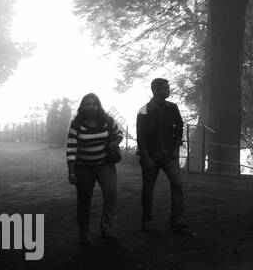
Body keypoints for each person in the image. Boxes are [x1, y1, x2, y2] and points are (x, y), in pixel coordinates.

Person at [67, 93, 123, 245]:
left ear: (98, 106)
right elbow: (71, 149)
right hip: (83, 168)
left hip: (105, 165)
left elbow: (119, 133)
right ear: (82, 107)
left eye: (94, 104)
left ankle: (107, 229)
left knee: (111, 194)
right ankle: (84, 234)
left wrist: (115, 143)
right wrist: (71, 172)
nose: (91, 106)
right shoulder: (76, 125)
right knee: (84, 201)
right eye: (88, 104)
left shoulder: (107, 121)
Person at [136, 77, 189, 233]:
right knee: (148, 189)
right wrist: (145, 156)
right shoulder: (144, 111)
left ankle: (177, 220)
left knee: (177, 184)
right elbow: (141, 136)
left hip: (168, 155)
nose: (168, 90)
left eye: (168, 87)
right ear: (155, 90)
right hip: (151, 155)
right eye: (165, 88)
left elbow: (179, 127)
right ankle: (147, 220)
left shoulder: (172, 108)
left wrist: (175, 148)